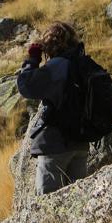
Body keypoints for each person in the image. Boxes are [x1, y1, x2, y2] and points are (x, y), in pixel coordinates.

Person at [17, 22, 92, 194]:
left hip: (56, 144)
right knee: (78, 197)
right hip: (80, 143)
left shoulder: (58, 66)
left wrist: (33, 59)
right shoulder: (84, 63)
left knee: (46, 201)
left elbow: (26, 86)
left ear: (50, 46)